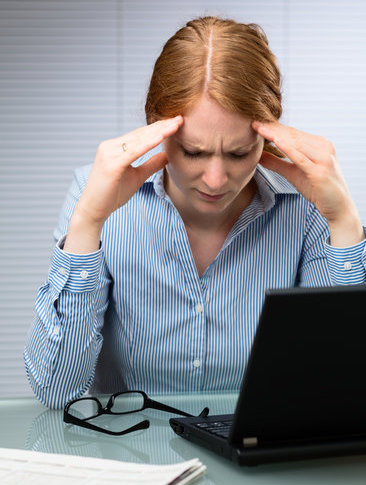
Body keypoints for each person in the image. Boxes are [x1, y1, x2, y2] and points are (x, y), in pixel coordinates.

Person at [25, 16, 366, 409]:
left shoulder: (306, 208)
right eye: (194, 152)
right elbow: (55, 391)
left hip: (256, 461)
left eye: (239, 153)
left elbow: (341, 389)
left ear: (269, 136)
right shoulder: (96, 197)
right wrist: (88, 224)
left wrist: (344, 224)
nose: (217, 179)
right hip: (134, 459)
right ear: (157, 131)